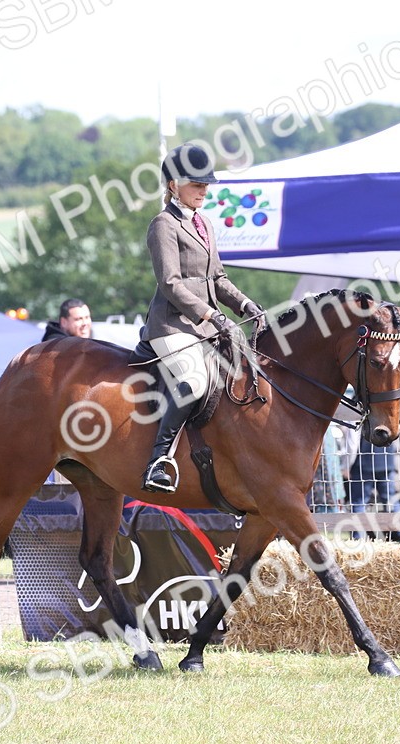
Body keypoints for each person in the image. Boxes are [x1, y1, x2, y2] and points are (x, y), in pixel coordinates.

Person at [139, 143, 264, 493]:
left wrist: (245, 305)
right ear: (173, 185)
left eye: (206, 184)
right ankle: (158, 462)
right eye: (196, 184)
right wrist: (210, 314)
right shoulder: (163, 225)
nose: (204, 190)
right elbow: (170, 284)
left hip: (206, 326)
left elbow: (218, 278)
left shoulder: (204, 222)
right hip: (172, 324)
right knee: (194, 381)